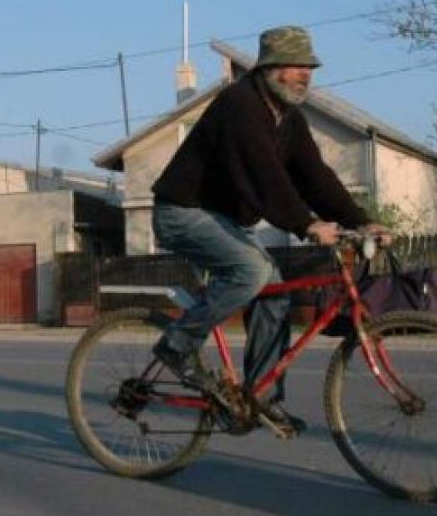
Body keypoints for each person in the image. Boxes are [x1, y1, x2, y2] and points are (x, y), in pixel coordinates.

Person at [150, 25, 389, 433]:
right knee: (253, 271)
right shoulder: (239, 104)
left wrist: (360, 220)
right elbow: (264, 176)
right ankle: (177, 345)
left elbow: (315, 176)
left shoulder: (288, 119)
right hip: (182, 211)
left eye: (309, 67)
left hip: (221, 218)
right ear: (269, 69)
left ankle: (261, 395)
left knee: (274, 290)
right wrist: (306, 223)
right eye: (296, 66)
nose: (305, 75)